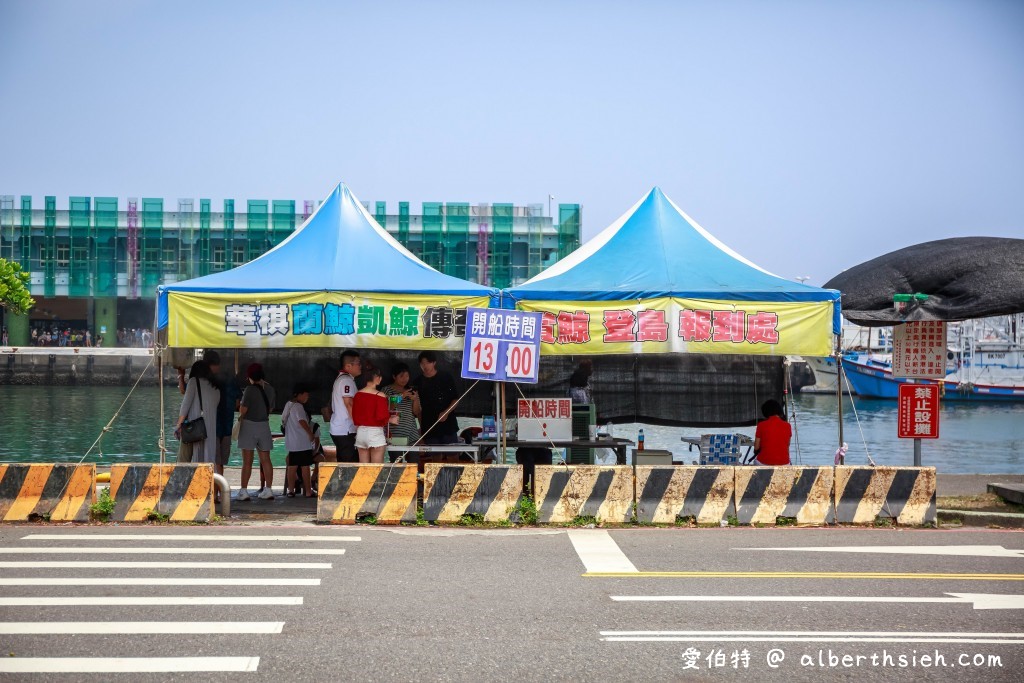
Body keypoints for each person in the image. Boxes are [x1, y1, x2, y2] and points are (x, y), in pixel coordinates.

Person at [236, 363, 276, 501]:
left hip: (249, 426)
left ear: (250, 377)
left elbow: (243, 410)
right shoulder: (270, 389)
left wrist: (240, 405)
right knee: (266, 459)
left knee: (247, 461)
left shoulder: (249, 390)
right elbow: (270, 409)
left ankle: (243, 491)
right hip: (264, 425)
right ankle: (269, 490)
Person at [173, 360, 220, 464]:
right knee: (207, 459)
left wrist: (178, 426)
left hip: (194, 429)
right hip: (210, 430)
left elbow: (185, 407)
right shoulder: (216, 388)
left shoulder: (194, 381)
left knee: (184, 461)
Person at [412, 350, 459, 445]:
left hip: (448, 423)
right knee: (434, 456)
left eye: (428, 363)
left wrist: (446, 412)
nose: (425, 366)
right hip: (429, 425)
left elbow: (456, 399)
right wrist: (421, 427)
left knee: (453, 454)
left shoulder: (446, 377)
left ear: (434, 363)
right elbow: (417, 410)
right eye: (422, 363)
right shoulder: (417, 382)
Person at [353, 367, 399, 464]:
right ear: (377, 378)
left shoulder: (357, 395)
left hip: (361, 433)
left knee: (363, 469)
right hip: (375, 433)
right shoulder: (380, 395)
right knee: (376, 469)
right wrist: (391, 419)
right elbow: (381, 417)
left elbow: (354, 416)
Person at [282, 383, 316, 498]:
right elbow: (302, 421)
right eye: (306, 395)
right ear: (299, 395)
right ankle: (308, 491)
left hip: (292, 442)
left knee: (292, 467)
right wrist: (310, 434)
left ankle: (291, 491)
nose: (307, 398)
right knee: (305, 467)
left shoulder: (288, 405)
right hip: (302, 442)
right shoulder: (298, 407)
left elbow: (283, 421)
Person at [383, 362, 421, 462]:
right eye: (401, 376)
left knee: (414, 462)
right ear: (394, 376)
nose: (405, 379)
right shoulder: (387, 390)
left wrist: (415, 399)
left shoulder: (411, 390)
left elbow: (417, 412)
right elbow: (388, 406)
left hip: (411, 433)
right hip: (394, 434)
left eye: (407, 376)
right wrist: (402, 396)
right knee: (396, 463)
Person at [328, 349, 361, 463]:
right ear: (348, 366)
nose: (360, 366)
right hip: (345, 430)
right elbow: (349, 404)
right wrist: (358, 425)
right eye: (358, 363)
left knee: (344, 463)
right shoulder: (346, 380)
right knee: (349, 465)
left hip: (341, 429)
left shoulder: (343, 379)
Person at [753, 399, 792, 466]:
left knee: (756, 461)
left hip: (764, 462)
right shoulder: (788, 426)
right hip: (784, 463)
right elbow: (787, 446)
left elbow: (756, 447)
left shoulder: (761, 425)